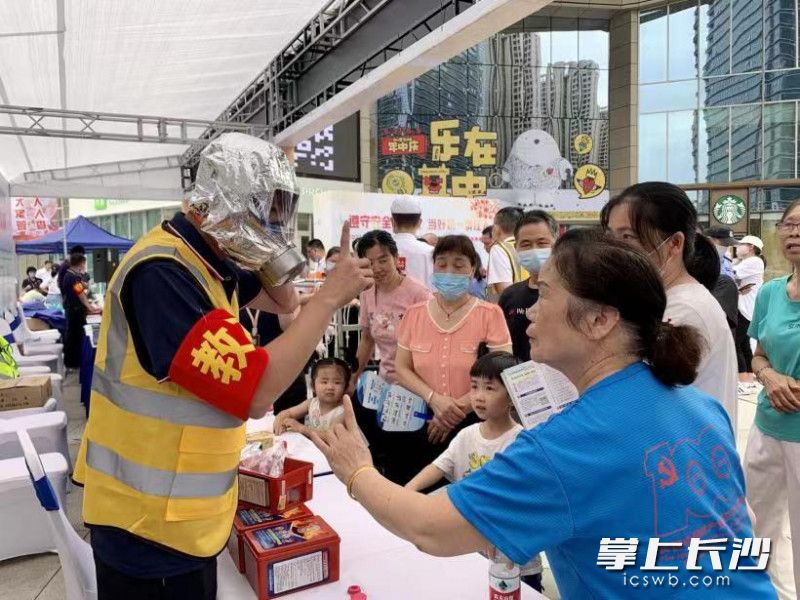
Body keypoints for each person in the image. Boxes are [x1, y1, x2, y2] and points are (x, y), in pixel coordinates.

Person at [309, 229, 777, 600]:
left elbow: (428, 528)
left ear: (600, 320)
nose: (528, 313)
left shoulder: (567, 444)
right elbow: (739, 524)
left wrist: (356, 469)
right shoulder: (699, 405)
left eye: (546, 296)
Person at [72, 134, 373, 600]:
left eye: (282, 210)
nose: (276, 223)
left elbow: (285, 298)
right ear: (225, 201)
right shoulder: (163, 272)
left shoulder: (210, 256)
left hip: (183, 513)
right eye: (268, 209)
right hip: (147, 525)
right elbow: (256, 393)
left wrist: (275, 245)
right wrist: (331, 297)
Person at [405, 351, 545, 592]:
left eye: (490, 389)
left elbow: (523, 502)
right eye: (474, 387)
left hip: (513, 558)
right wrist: (407, 491)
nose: (479, 397)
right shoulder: (467, 435)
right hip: (472, 550)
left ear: (512, 395)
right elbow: (438, 467)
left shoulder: (522, 442)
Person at [602, 182, 738, 428]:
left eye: (627, 237)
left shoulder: (684, 309)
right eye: (611, 237)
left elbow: (632, 399)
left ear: (674, 243)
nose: (614, 249)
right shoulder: (661, 301)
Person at [392, 235, 512, 484]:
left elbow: (503, 371)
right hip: (421, 421)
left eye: (459, 265)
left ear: (473, 270)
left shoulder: (490, 314)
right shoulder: (414, 315)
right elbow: (401, 368)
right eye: (442, 264)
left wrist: (454, 411)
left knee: (469, 494)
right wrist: (435, 400)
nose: (449, 271)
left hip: (476, 423)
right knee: (419, 491)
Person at [744, 199, 800, 599]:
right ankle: (763, 592)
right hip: (767, 425)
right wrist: (768, 376)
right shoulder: (770, 293)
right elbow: (759, 352)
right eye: (789, 225)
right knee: (758, 523)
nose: (794, 233)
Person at [349, 230, 430, 469]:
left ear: (396, 258)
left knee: (408, 457)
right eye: (370, 262)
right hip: (384, 387)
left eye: (383, 259)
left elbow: (431, 346)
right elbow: (366, 340)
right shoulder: (367, 294)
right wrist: (352, 377)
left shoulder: (418, 293)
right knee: (382, 453)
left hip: (416, 389)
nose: (377, 268)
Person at [498, 210, 558, 362]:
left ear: (556, 244)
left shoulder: (573, 292)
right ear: (516, 248)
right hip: (518, 380)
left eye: (542, 243)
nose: (534, 250)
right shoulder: (510, 295)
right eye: (525, 244)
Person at [273, 357, 351, 436]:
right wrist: (281, 417)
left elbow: (329, 437)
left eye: (337, 382)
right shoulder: (311, 403)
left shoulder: (343, 412)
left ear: (345, 387)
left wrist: (301, 428)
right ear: (313, 385)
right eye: (324, 382)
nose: (330, 387)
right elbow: (289, 413)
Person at [62, 255, 100, 370]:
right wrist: (90, 307)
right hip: (75, 311)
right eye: (83, 263)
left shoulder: (73, 276)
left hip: (74, 309)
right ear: (79, 263)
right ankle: (73, 363)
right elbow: (81, 295)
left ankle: (73, 362)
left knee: (74, 336)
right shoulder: (71, 277)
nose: (84, 265)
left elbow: (82, 289)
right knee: (75, 337)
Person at [734, 235, 765, 373]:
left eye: (741, 244)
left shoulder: (754, 261)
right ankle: (749, 376)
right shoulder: (747, 261)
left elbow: (732, 274)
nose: (737, 247)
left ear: (751, 247)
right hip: (745, 309)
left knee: (735, 345)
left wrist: (728, 258)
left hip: (745, 310)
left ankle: (742, 377)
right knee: (743, 345)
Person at [704, 226, 740, 341]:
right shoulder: (698, 262)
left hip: (728, 312)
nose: (725, 247)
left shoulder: (726, 260)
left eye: (727, 244)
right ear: (710, 240)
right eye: (723, 244)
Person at [390, 196, 434, 288]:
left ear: (392, 222)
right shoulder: (431, 252)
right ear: (419, 223)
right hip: (424, 302)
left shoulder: (378, 250)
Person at [486, 206, 525, 302]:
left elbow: (505, 291)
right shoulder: (525, 247)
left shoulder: (499, 249)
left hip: (509, 312)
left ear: (496, 228)